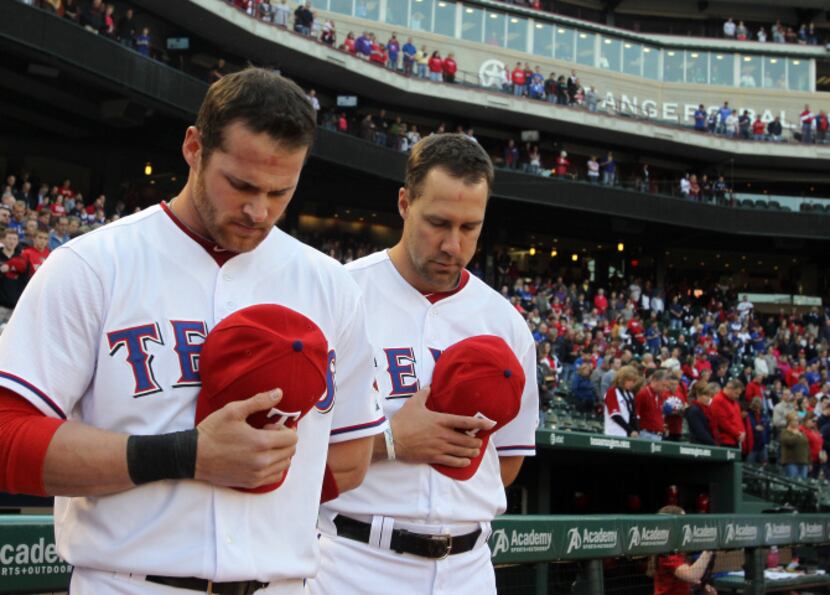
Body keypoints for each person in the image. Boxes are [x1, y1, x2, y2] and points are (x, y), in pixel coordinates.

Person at [0, 69, 385, 594]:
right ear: (194, 147)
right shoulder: (93, 265)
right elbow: (7, 436)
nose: (259, 210)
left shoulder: (331, 286)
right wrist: (186, 457)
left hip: (279, 584)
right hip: (131, 582)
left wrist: (264, 498)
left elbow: (351, 455)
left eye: (281, 191)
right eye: (241, 184)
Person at [312, 134, 539, 595]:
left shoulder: (506, 321)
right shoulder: (338, 294)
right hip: (352, 559)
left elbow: (508, 461)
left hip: (468, 567)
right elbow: (292, 449)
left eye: (470, 228)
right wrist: (392, 442)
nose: (453, 245)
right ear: (404, 203)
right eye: (438, 222)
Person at [653, 506, 716, 595]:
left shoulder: (678, 550)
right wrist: (709, 549)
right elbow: (692, 575)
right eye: (683, 521)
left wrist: (702, 586)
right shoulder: (667, 554)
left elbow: (686, 578)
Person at [603, 365, 640, 438]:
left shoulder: (630, 394)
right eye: (629, 380)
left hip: (627, 434)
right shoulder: (612, 392)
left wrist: (636, 430)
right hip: (614, 433)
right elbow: (615, 415)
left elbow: (633, 415)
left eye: (633, 381)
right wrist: (630, 430)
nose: (632, 383)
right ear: (622, 379)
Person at [710, 380, 745, 449]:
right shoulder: (718, 400)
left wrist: (743, 431)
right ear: (730, 389)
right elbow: (723, 422)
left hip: (735, 440)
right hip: (724, 442)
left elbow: (739, 419)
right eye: (736, 393)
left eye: (739, 394)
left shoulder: (735, 402)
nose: (738, 396)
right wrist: (738, 434)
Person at [635, 369, 668, 441]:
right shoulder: (643, 394)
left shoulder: (660, 396)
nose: (665, 389)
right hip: (646, 434)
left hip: (657, 435)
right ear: (655, 381)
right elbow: (636, 415)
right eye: (663, 385)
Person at [780, 412, 810, 478]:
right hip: (791, 463)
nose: (797, 422)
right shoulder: (784, 432)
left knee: (803, 485)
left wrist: (809, 462)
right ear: (789, 421)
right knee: (793, 483)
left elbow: (807, 446)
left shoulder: (801, 432)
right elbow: (789, 442)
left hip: (804, 463)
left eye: (798, 420)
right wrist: (796, 435)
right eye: (795, 420)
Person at [745, 397, 770, 464]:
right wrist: (755, 427)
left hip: (763, 444)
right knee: (749, 465)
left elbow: (767, 429)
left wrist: (767, 442)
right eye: (756, 408)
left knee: (764, 466)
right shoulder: (749, 415)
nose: (758, 410)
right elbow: (752, 427)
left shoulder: (764, 415)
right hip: (752, 445)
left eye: (759, 407)